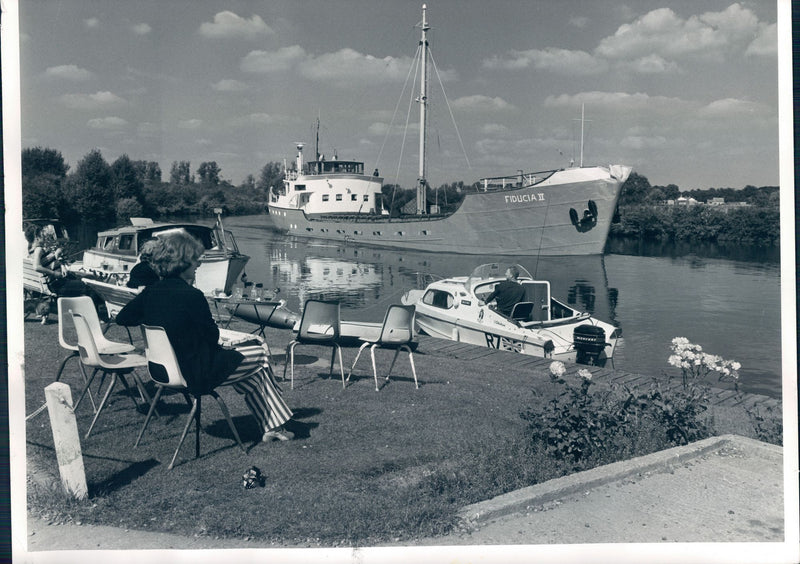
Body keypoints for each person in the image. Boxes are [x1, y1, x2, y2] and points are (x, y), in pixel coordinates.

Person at [115, 231, 296, 442]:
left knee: (254, 373)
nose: (198, 265)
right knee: (259, 354)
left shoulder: (151, 292)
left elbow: (123, 318)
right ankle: (275, 424)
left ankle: (273, 427)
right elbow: (211, 336)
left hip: (162, 369)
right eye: (195, 261)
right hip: (196, 373)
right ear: (182, 263)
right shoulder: (192, 296)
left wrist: (159, 321)